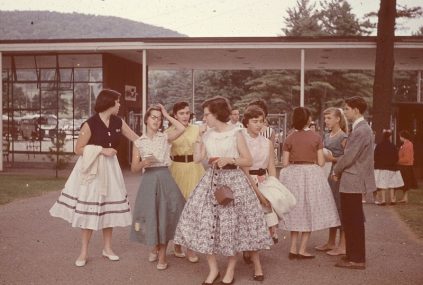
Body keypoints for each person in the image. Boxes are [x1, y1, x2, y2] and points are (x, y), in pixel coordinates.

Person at [174, 96, 272, 285]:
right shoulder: (207, 134)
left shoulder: (236, 133)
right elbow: (197, 158)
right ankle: (213, 270)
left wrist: (230, 160)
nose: (204, 118)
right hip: (212, 181)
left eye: (207, 114)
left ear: (217, 113)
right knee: (206, 224)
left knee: (231, 227)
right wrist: (199, 138)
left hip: (234, 182)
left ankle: (230, 270)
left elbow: (248, 160)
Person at [49, 89, 139, 267]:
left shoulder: (118, 121)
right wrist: (101, 150)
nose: (120, 104)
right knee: (89, 209)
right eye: (118, 101)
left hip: (111, 170)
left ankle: (107, 248)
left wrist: (159, 140)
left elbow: (137, 139)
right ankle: (83, 252)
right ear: (109, 103)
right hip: (92, 170)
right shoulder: (90, 124)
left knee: (108, 208)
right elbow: (78, 149)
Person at [130, 104, 186, 271]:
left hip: (165, 178)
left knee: (166, 215)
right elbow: (133, 168)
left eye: (159, 118)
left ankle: (162, 256)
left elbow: (181, 128)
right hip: (148, 179)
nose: (157, 120)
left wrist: (166, 114)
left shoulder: (165, 137)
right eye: (153, 117)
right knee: (151, 215)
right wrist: (143, 163)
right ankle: (153, 246)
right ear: (146, 119)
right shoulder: (139, 142)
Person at [279, 107, 340, 260]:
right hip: (311, 174)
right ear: (308, 120)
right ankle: (302, 250)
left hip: (293, 174)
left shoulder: (289, 138)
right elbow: (320, 162)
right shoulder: (316, 137)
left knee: (296, 210)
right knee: (308, 210)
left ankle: (292, 249)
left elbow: (284, 162)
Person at [332, 96, 376, 270]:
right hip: (353, 178)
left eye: (348, 109)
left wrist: (336, 170)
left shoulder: (361, 130)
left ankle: (357, 258)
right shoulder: (361, 128)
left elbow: (350, 156)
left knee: (353, 219)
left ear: (356, 110)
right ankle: (352, 254)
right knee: (351, 219)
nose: (346, 112)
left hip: (353, 179)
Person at [241, 105, 278, 281]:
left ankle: (249, 250)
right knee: (252, 223)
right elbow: (245, 171)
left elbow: (271, 166)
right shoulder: (241, 141)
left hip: (264, 181)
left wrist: (273, 187)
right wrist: (259, 194)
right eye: (254, 121)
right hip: (247, 183)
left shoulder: (267, 142)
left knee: (263, 224)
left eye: (261, 121)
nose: (258, 125)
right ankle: (258, 266)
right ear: (246, 122)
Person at [166, 101, 205, 262]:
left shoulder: (197, 129)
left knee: (194, 209)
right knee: (177, 209)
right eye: (181, 113)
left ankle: (191, 248)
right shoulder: (168, 132)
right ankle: (177, 244)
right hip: (176, 169)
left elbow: (202, 147)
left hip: (194, 169)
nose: (185, 116)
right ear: (174, 115)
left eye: (187, 113)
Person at [315, 107, 348, 256]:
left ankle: (343, 245)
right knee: (331, 207)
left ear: (338, 119)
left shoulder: (343, 137)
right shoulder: (327, 136)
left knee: (341, 208)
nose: (326, 121)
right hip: (327, 175)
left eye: (329, 118)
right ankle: (330, 242)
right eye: (325, 118)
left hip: (338, 176)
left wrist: (331, 159)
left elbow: (348, 158)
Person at [373, 129, 404, 205]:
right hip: (392, 168)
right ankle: (392, 200)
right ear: (389, 137)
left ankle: (383, 200)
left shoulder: (379, 146)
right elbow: (396, 157)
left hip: (381, 168)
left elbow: (375, 156)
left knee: (382, 184)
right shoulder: (393, 146)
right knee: (392, 184)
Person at [396, 130, 417, 203]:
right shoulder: (407, 144)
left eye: (400, 136)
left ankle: (404, 198)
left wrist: (397, 161)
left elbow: (407, 158)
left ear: (403, 137)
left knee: (404, 183)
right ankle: (405, 198)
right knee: (405, 183)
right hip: (406, 166)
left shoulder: (407, 145)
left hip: (405, 166)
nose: (399, 138)